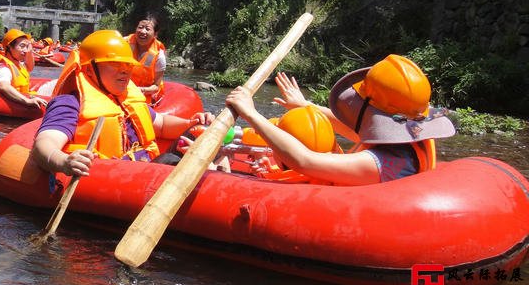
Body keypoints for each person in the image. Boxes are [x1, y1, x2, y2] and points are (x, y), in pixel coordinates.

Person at [225, 54, 456, 186]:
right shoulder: (412, 139)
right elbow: (354, 130)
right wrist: (307, 106)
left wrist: (251, 113)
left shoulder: (378, 164)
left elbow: (304, 161)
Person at [31, 30, 212, 177]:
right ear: (89, 69)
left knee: (198, 134)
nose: (125, 72)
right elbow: (44, 143)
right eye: (115, 65)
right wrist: (63, 162)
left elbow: (162, 125)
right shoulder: (70, 103)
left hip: (147, 170)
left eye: (128, 65)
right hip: (112, 178)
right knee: (170, 160)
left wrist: (192, 124)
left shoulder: (126, 99)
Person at [0, 28, 47, 110]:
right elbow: (4, 86)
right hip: (20, 102)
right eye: (22, 46)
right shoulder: (3, 68)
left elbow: (29, 67)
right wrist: (27, 101)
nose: (25, 50)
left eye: (26, 47)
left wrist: (29, 51)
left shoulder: (18, 63)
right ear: (9, 47)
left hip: (26, 93)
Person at [124, 14, 166, 104]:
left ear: (155, 34)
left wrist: (141, 90)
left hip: (143, 95)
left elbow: (156, 86)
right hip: (120, 90)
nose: (143, 31)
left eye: (147, 29)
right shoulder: (123, 43)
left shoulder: (159, 56)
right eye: (140, 27)